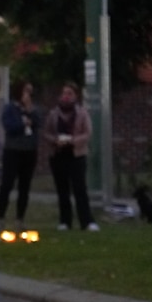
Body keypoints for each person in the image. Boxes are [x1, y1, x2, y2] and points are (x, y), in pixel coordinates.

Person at [43, 81, 99, 231]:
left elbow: (87, 133)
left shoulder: (82, 113)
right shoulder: (54, 114)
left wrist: (74, 141)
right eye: (64, 93)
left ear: (75, 96)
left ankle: (86, 221)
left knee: (80, 188)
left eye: (69, 94)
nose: (66, 97)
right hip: (58, 155)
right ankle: (65, 221)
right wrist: (55, 140)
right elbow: (46, 132)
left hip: (77, 155)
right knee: (62, 190)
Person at [0, 80, 41, 231]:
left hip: (29, 150)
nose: (28, 95)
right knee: (7, 184)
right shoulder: (10, 108)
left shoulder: (32, 109)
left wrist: (29, 112)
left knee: (25, 186)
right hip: (13, 150)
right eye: (26, 91)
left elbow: (38, 122)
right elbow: (10, 126)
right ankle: (0, 217)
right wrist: (23, 124)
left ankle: (20, 218)